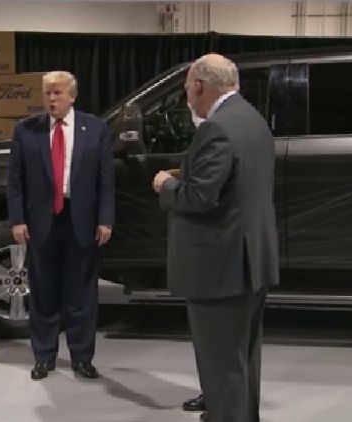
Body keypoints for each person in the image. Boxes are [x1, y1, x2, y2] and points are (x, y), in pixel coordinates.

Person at [152, 53, 279, 422]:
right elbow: (233, 181)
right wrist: (190, 173)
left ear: (198, 86)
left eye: (186, 89)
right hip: (249, 259)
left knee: (221, 365)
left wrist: (166, 185)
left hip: (219, 267)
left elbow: (198, 198)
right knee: (241, 359)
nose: (188, 98)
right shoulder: (252, 119)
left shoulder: (216, 128)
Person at [7, 71, 115, 381]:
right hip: (42, 221)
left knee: (81, 293)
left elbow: (106, 180)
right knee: (43, 293)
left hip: (81, 219)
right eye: (47, 93)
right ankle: (44, 357)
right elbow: (15, 180)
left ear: (72, 96)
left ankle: (82, 358)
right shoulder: (26, 131)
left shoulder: (96, 129)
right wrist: (18, 219)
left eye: (58, 93)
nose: (52, 99)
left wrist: (105, 219)